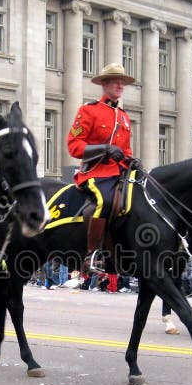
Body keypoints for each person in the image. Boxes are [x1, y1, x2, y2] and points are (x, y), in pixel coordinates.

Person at [67, 63, 134, 273]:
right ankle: (92, 254)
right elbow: (74, 145)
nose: (120, 85)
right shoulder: (89, 110)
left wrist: (132, 161)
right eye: (116, 81)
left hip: (120, 173)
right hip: (96, 172)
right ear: (104, 84)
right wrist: (104, 149)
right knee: (104, 200)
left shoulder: (124, 117)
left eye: (122, 82)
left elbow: (126, 150)